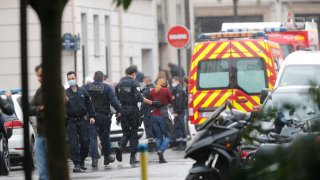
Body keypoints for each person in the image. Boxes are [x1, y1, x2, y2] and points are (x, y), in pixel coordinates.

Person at [115, 66, 157, 164]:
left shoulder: (119, 84)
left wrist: (119, 111)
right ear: (134, 74)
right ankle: (133, 157)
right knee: (133, 132)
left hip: (123, 109)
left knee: (126, 132)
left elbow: (116, 98)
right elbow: (139, 97)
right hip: (133, 110)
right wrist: (152, 103)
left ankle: (120, 147)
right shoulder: (134, 83)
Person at [84, 71, 122, 167]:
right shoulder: (107, 87)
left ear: (94, 77)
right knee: (105, 137)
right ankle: (107, 157)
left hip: (91, 116)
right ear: (102, 78)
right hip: (104, 116)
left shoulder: (87, 87)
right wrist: (119, 110)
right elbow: (114, 102)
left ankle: (94, 159)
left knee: (93, 137)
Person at [65, 71, 95, 172]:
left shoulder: (83, 91)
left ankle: (82, 161)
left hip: (82, 120)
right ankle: (76, 164)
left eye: (72, 78)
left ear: (76, 78)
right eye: (69, 79)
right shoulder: (65, 93)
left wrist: (92, 116)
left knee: (85, 142)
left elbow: (89, 104)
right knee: (73, 143)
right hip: (71, 121)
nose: (71, 80)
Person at [29, 64, 49, 180]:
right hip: (41, 133)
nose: (39, 78)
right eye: (38, 76)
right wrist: (40, 109)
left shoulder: (56, 89)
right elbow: (30, 109)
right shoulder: (39, 91)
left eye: (41, 75)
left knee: (51, 164)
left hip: (53, 134)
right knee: (42, 167)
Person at [149, 78, 173, 163]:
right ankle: (161, 150)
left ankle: (161, 158)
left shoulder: (152, 90)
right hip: (163, 114)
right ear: (165, 83)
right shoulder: (166, 90)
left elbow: (150, 101)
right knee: (168, 135)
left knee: (159, 137)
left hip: (154, 115)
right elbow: (171, 100)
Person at [171, 76, 187, 150]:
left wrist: (176, 112)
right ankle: (181, 144)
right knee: (179, 127)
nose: (172, 83)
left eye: (173, 81)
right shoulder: (177, 89)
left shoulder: (179, 90)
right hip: (179, 111)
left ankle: (181, 145)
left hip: (179, 112)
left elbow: (179, 102)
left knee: (179, 127)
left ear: (177, 81)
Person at [140, 76, 156, 151]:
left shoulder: (146, 91)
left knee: (149, 128)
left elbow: (144, 102)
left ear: (146, 81)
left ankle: (151, 146)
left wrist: (141, 112)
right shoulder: (156, 89)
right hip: (156, 111)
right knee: (155, 128)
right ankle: (156, 144)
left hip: (148, 111)